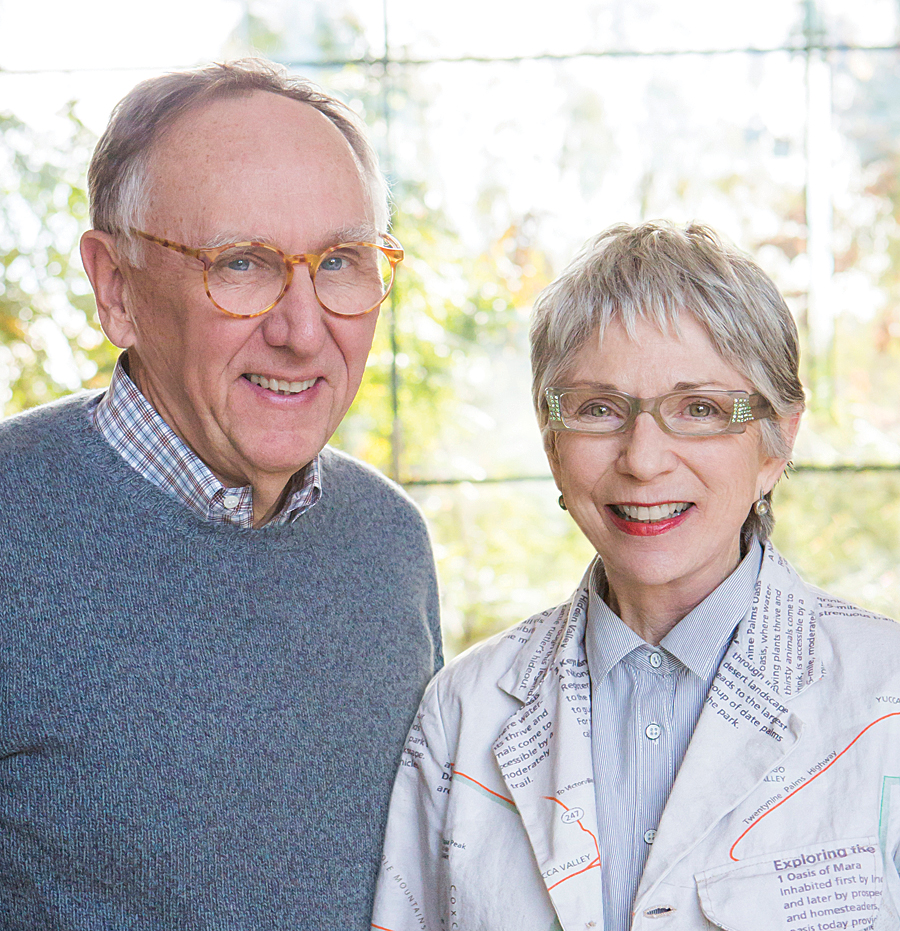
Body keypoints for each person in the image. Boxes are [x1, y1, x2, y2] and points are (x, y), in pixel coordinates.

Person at [0, 60, 442, 930]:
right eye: (242, 264)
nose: (303, 330)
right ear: (116, 287)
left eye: (341, 261)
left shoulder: (390, 542)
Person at [372, 221, 900, 930]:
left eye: (699, 409)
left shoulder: (887, 693)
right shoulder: (463, 710)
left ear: (777, 442)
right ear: (552, 441)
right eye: (598, 409)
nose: (644, 460)